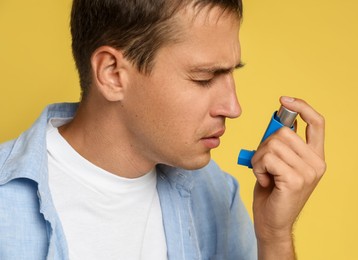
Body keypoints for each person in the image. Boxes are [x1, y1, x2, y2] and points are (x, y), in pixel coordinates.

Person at [0, 0, 326, 259]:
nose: (233, 107)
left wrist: (274, 237)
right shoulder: (6, 204)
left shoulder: (214, 192)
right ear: (113, 73)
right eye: (204, 78)